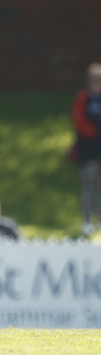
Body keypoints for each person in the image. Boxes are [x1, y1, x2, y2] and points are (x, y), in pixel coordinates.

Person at [71, 63, 101, 237]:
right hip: (88, 151)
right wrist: (94, 133)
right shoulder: (84, 98)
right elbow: (79, 120)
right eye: (95, 81)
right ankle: (87, 221)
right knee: (88, 185)